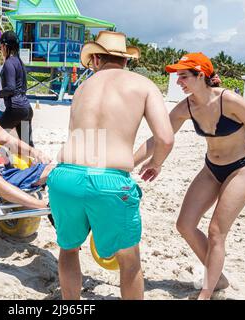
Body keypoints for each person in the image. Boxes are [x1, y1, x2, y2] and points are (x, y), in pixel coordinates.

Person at [134, 52, 245, 300]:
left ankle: (206, 292)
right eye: (178, 77)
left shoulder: (230, 101)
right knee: (185, 224)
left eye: (184, 76)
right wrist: (126, 163)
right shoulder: (186, 107)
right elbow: (158, 138)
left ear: (201, 75)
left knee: (215, 231)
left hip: (240, 169)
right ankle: (217, 276)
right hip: (211, 169)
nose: (179, 82)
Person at [47, 31, 175, 300]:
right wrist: (156, 162)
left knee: (69, 249)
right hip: (109, 181)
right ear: (126, 60)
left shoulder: (82, 88)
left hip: (65, 176)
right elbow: (164, 138)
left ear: (94, 59)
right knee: (129, 261)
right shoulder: (143, 85)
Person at [0, 31, 35, 147]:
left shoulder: (9, 63)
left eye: (0, 46)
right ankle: (38, 164)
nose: (0, 49)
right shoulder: (20, 62)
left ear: (4, 46)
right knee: (27, 146)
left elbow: (11, 89)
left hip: (15, 109)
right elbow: (23, 87)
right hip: (26, 109)